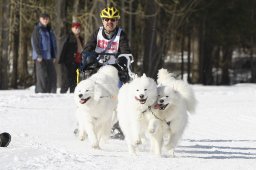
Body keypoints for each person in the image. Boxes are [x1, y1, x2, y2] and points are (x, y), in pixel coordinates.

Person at [82, 6, 132, 84]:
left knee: (123, 77)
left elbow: (125, 49)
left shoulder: (121, 34)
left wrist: (122, 58)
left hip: (116, 66)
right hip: (98, 65)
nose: (109, 22)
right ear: (103, 21)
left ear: (117, 21)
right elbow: (89, 47)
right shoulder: (97, 33)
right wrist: (90, 57)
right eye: (106, 19)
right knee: (89, 76)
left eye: (113, 20)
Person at [31, 13, 57, 93]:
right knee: (41, 76)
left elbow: (53, 44)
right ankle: (40, 92)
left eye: (47, 18)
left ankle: (52, 92)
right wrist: (39, 55)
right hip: (40, 57)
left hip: (49, 57)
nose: (45, 20)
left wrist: (54, 55)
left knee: (52, 75)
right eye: (43, 18)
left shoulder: (50, 30)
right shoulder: (37, 29)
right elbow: (35, 43)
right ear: (40, 19)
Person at [59, 19, 84, 93]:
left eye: (78, 28)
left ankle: (73, 93)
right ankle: (62, 93)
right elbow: (62, 48)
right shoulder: (68, 37)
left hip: (77, 61)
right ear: (72, 28)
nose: (77, 29)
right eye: (75, 28)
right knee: (66, 79)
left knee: (75, 79)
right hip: (68, 62)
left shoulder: (80, 38)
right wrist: (62, 60)